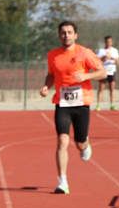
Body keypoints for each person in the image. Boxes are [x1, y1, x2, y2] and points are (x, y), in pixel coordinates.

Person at [40, 21, 106, 194]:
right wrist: (47, 86)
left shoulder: (85, 53)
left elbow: (103, 72)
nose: (66, 35)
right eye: (63, 32)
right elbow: (51, 74)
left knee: (80, 142)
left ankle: (85, 144)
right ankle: (63, 181)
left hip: (81, 103)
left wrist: (86, 75)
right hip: (62, 103)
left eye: (69, 32)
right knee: (62, 140)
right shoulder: (53, 55)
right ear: (59, 35)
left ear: (75, 35)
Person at [95, 35, 119, 110]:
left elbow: (118, 62)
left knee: (112, 88)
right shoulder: (101, 51)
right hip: (103, 72)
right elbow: (96, 61)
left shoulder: (115, 51)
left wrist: (111, 58)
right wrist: (103, 58)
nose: (108, 43)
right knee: (101, 88)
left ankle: (112, 105)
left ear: (112, 42)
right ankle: (98, 105)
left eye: (110, 41)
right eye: (107, 41)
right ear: (105, 42)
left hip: (112, 71)